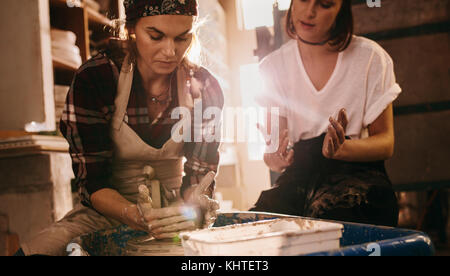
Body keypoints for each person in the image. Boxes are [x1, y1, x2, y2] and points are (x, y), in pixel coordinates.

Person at [18, 0, 224, 256]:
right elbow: (93, 182)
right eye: (156, 36)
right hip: (108, 210)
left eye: (182, 38)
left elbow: (199, 175)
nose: (170, 51)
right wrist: (132, 214)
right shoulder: (96, 78)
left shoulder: (204, 87)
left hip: (176, 211)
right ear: (132, 29)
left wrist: (194, 205)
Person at [251, 0, 400, 227]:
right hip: (300, 174)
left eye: (325, 4)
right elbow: (274, 153)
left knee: (339, 220)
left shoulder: (370, 57)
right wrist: (275, 157)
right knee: (260, 224)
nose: (309, 12)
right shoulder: (272, 67)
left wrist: (343, 149)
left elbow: (386, 143)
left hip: (357, 172)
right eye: (302, 0)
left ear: (341, 11)